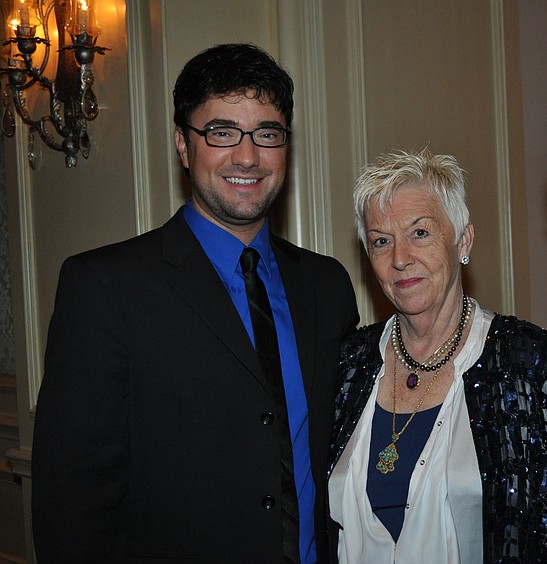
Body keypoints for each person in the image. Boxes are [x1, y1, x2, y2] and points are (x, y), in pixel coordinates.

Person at [31, 43, 359, 563]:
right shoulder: (105, 288)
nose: (247, 157)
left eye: (267, 134)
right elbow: (72, 503)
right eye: (222, 132)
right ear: (184, 145)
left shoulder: (327, 287)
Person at [328, 149, 547, 562]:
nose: (400, 259)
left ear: (463, 240)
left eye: (420, 233)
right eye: (382, 241)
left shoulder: (527, 362)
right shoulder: (347, 365)